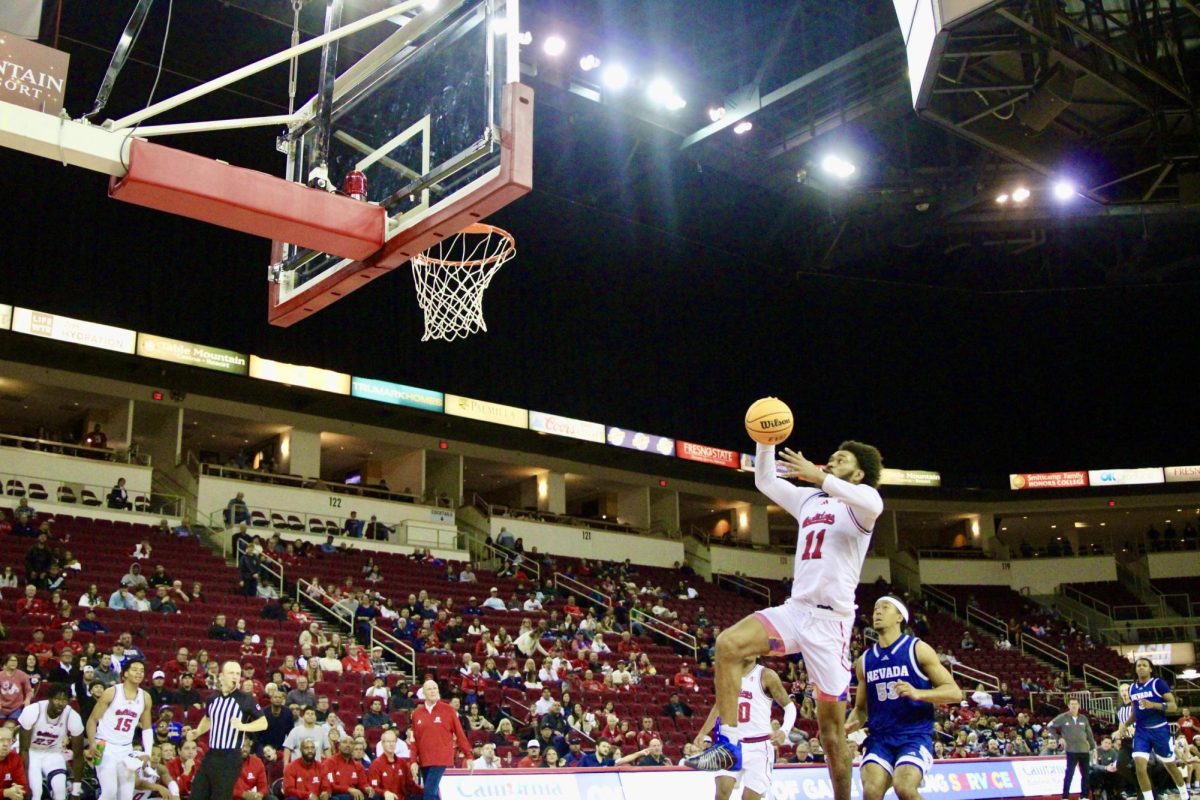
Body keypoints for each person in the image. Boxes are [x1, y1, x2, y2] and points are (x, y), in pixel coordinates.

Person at [689, 438, 883, 800]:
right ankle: (729, 744)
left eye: (842, 459)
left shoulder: (863, 507)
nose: (832, 458)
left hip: (831, 625)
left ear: (858, 473)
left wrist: (817, 475)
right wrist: (764, 443)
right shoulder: (810, 500)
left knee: (831, 734)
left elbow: (873, 499)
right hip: (795, 611)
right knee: (727, 645)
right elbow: (765, 481)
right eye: (833, 454)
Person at [847, 596, 962, 800]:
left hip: (914, 736)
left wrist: (919, 693)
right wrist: (847, 727)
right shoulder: (864, 661)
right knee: (871, 791)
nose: (878, 612)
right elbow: (861, 708)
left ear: (899, 616)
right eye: (875, 608)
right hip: (880, 738)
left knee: (905, 788)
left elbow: (954, 692)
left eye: (884, 607)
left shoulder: (917, 649)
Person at [689, 655, 797, 800]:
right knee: (721, 793)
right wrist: (703, 732)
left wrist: (784, 731)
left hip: (759, 746)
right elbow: (720, 706)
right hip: (731, 743)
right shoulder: (727, 675)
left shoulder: (767, 675)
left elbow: (789, 707)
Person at [184, 661, 268, 800]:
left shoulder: (246, 699)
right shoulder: (212, 698)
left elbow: (263, 723)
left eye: (238, 673)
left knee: (220, 797)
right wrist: (197, 731)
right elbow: (208, 718)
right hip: (211, 755)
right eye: (231, 673)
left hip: (231, 757)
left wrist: (243, 727)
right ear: (222, 676)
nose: (235, 676)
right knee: (197, 794)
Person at [1120, 657, 1191, 800]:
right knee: (1139, 767)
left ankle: (1184, 794)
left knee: (1170, 765)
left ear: (1150, 669)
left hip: (1159, 730)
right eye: (1138, 665)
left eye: (1144, 665)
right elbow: (1135, 713)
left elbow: (1173, 706)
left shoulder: (1158, 684)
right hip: (1141, 731)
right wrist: (1125, 724)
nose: (1141, 667)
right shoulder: (1132, 688)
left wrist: (1154, 705)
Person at [87, 659, 155, 800]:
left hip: (126, 749)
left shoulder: (145, 697)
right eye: (135, 669)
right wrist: (92, 743)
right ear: (125, 673)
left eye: (142, 670)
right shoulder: (111, 693)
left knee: (126, 796)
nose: (139, 673)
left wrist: (147, 753)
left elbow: (147, 728)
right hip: (105, 746)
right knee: (110, 792)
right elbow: (92, 720)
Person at [18, 684, 85, 800]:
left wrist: (76, 791)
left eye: (64, 700)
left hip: (53, 752)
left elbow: (78, 755)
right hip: (31, 752)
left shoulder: (73, 717)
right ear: (49, 699)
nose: (60, 703)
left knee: (60, 792)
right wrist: (25, 781)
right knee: (36, 792)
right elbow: (23, 749)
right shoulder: (33, 711)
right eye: (57, 699)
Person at [408, 680, 471, 800]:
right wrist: (413, 761)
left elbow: (460, 733)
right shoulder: (416, 714)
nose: (433, 691)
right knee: (433, 794)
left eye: (435, 688)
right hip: (424, 760)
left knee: (429, 794)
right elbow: (414, 740)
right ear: (423, 693)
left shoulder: (448, 710)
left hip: (441, 759)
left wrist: (469, 755)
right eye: (429, 689)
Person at [1048, 698, 1096, 800]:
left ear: (1079, 706)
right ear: (1069, 706)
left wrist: (1093, 747)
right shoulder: (1063, 717)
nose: (1074, 706)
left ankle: (1084, 796)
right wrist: (1059, 738)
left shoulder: (1084, 718)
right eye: (1072, 704)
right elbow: (1050, 726)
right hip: (1071, 750)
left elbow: (1089, 734)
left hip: (1084, 750)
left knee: (1086, 775)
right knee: (1069, 774)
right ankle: (1065, 796)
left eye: (1075, 704)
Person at [367, 730, 413, 800]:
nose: (391, 744)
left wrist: (426, 791)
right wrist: (384, 792)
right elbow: (374, 788)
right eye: (388, 742)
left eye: (393, 741)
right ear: (382, 744)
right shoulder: (376, 764)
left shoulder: (402, 763)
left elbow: (410, 785)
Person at [0, 727, 30, 800]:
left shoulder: (15, 758)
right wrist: (5, 792)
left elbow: (23, 787)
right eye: (1, 740)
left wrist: (17, 791)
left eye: (9, 740)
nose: (6, 744)